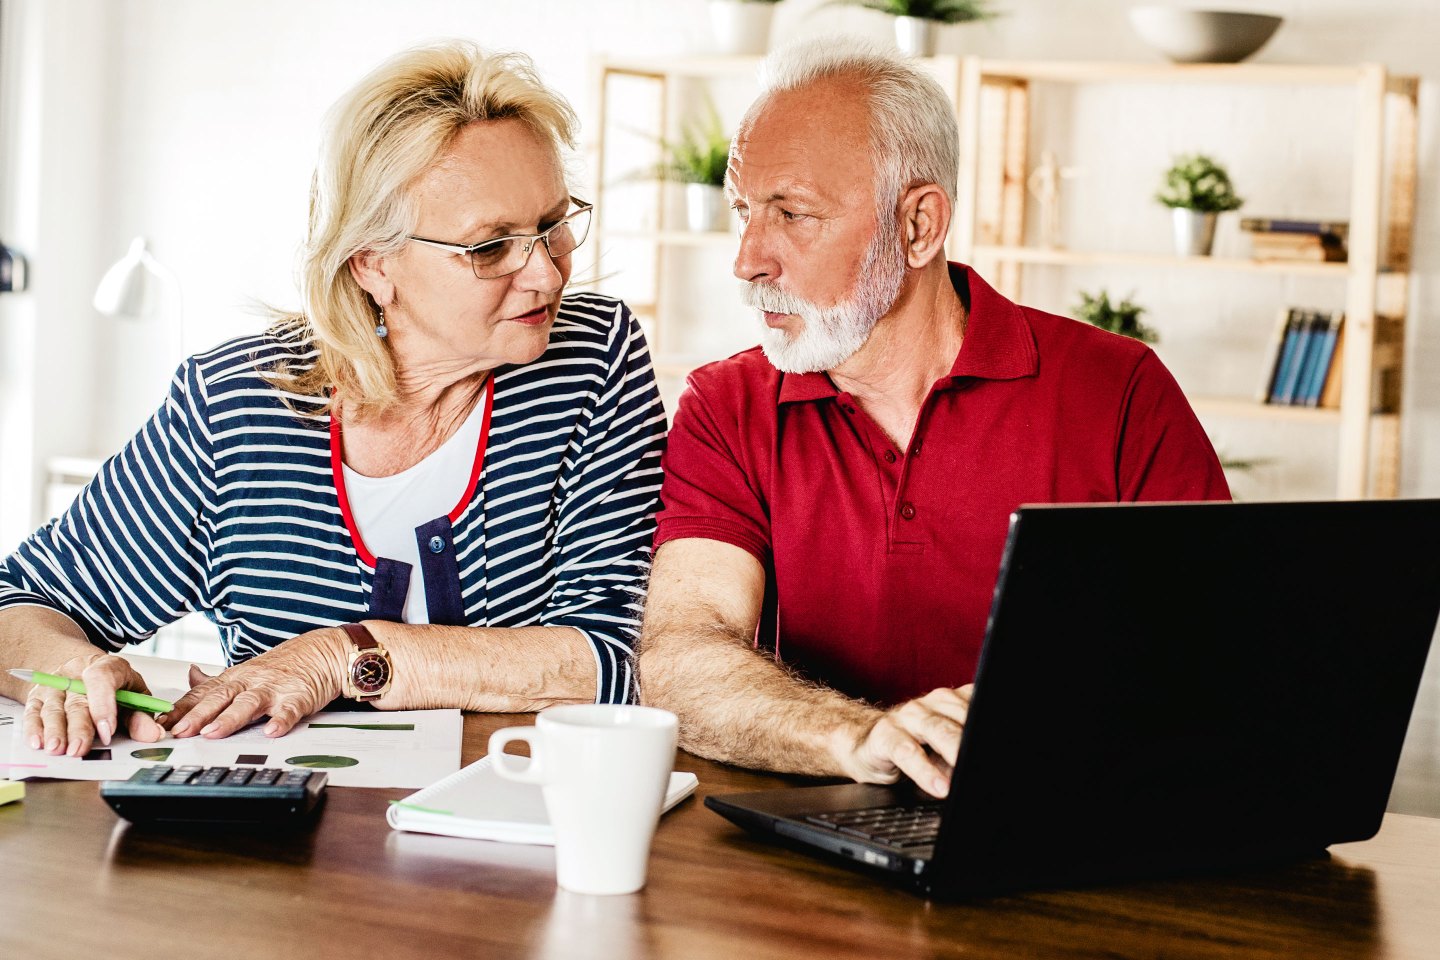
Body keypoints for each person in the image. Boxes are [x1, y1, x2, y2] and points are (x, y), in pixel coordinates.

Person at [0, 41, 665, 758]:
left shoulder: (593, 358)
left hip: (511, 825)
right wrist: (72, 673)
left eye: (552, 225)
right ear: (374, 262)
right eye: (490, 246)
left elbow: (616, 659)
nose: (545, 274)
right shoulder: (233, 407)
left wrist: (342, 655)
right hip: (280, 843)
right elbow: (25, 600)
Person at [636, 38, 1229, 798]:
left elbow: (1205, 657)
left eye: (792, 214)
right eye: (745, 211)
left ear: (919, 225)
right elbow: (682, 656)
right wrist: (857, 738)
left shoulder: (1120, 392)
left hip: (1065, 821)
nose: (748, 260)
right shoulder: (727, 406)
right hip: (817, 843)